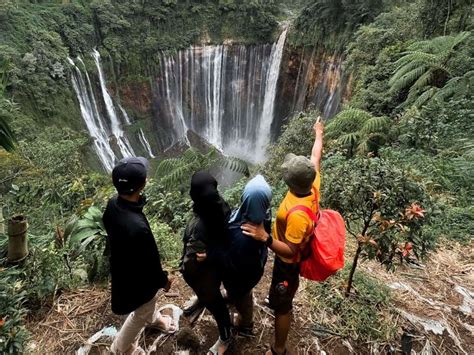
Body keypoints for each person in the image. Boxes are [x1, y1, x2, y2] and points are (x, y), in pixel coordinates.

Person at [242, 119, 324, 355]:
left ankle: (279, 348)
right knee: (280, 295)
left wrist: (264, 237)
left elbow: (291, 250)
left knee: (283, 306)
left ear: (290, 183)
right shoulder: (313, 182)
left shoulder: (297, 216)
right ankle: (279, 299)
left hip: (287, 264)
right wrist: (318, 134)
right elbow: (315, 157)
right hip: (288, 257)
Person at [103, 157, 175, 355]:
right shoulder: (137, 228)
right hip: (138, 281)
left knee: (147, 306)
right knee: (140, 313)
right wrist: (164, 280)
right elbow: (150, 265)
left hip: (123, 269)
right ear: (142, 185)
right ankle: (121, 348)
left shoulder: (112, 204)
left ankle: (154, 320)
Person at [181, 171, 233, 355]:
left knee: (217, 306)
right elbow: (227, 238)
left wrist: (186, 269)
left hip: (204, 274)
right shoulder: (222, 205)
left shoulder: (197, 225)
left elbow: (191, 262)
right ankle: (202, 300)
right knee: (212, 297)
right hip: (220, 264)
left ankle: (226, 337)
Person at [222, 174, 272, 337]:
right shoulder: (265, 214)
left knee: (243, 295)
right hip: (252, 267)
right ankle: (231, 296)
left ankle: (246, 325)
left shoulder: (244, 231)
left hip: (243, 273)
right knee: (241, 292)